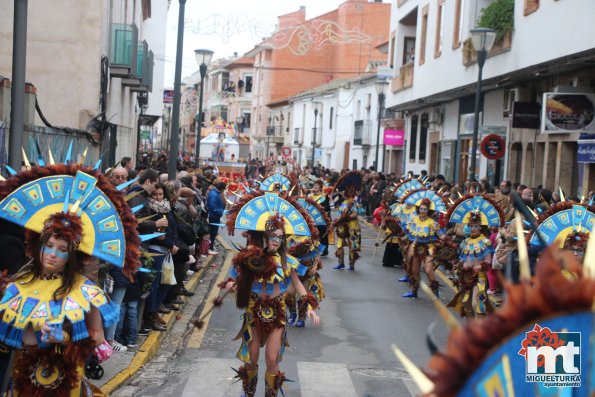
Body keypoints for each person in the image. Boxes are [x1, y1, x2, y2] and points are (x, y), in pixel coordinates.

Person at [0, 162, 142, 396]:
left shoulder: (84, 290)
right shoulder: (19, 282)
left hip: (65, 380)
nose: (53, 254)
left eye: (62, 249)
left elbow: (97, 338)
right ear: (39, 246)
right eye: (49, 246)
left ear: (72, 254)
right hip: (23, 377)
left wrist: (64, 336)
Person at [223, 193, 320, 397]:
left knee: (271, 359)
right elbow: (231, 278)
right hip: (253, 312)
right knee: (251, 356)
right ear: (264, 236)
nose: (276, 241)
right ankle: (248, 392)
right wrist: (231, 284)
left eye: (279, 237)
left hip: (277, 315)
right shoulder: (250, 258)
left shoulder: (287, 261)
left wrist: (309, 307)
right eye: (273, 236)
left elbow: (298, 285)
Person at [403, 197, 445, 298]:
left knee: (428, 270)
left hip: (429, 248)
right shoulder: (413, 220)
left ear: (428, 210)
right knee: (414, 271)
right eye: (421, 209)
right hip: (416, 247)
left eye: (425, 209)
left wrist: (445, 239)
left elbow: (441, 235)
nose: (422, 211)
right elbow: (408, 232)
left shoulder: (432, 222)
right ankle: (414, 290)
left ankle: (435, 289)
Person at [332, 171, 363, 271]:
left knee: (352, 246)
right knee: (339, 245)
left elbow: (356, 214)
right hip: (342, 228)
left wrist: (348, 217)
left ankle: (351, 264)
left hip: (352, 228)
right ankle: (340, 263)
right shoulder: (344, 202)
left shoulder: (354, 203)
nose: (342, 193)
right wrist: (337, 220)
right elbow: (340, 214)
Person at [308, 180, 331, 256]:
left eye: (317, 187)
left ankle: (325, 250)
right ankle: (314, 248)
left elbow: (327, 208)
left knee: (323, 234)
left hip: (321, 218)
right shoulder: (310, 196)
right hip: (312, 218)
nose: (314, 188)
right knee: (313, 234)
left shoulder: (324, 197)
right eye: (314, 186)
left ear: (320, 188)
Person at [207, 180, 227, 255]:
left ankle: (211, 247)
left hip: (215, 216)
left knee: (213, 233)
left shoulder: (214, 193)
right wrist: (220, 212)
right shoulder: (214, 194)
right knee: (212, 233)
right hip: (213, 217)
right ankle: (210, 248)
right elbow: (212, 206)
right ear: (222, 189)